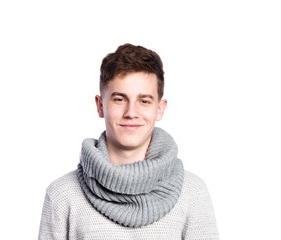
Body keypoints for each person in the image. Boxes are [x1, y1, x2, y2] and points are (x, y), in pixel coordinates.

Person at [38, 44, 219, 239]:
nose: (131, 113)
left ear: (160, 109)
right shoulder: (62, 196)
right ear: (100, 106)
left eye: (144, 101)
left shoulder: (193, 194)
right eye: (119, 99)